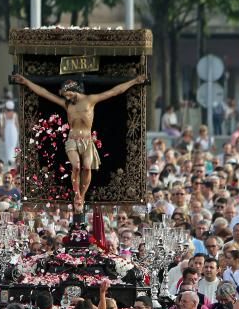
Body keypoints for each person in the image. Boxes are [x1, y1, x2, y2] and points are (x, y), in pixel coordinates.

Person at [11, 71, 147, 211]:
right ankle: (76, 195)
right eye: (65, 96)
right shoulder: (67, 104)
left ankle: (81, 195)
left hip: (87, 141)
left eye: (69, 94)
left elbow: (114, 92)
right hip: (72, 140)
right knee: (76, 166)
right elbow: (45, 93)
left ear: (75, 90)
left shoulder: (90, 100)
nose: (67, 97)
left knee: (87, 167)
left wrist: (135, 81)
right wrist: (26, 82)